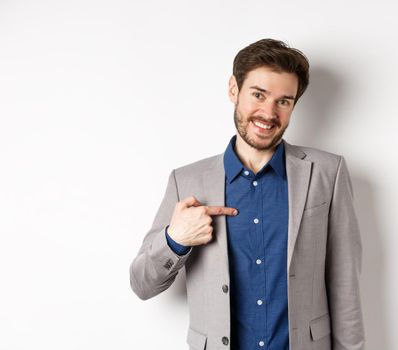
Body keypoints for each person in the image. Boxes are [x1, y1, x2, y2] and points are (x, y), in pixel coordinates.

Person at [129, 38, 365, 350]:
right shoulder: (186, 181)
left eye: (284, 101)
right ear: (233, 90)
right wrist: (176, 239)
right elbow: (142, 284)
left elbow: (345, 285)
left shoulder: (327, 173)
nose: (268, 113)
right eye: (258, 95)